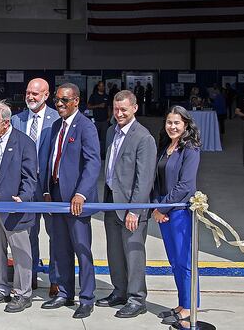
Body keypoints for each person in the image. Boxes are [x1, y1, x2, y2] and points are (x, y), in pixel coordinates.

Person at [40, 83, 100, 319]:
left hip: (77, 201)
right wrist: (46, 190)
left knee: (82, 250)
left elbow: (93, 163)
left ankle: (87, 298)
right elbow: (50, 160)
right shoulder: (56, 126)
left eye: (65, 100)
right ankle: (64, 292)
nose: (60, 104)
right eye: (57, 100)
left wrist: (81, 193)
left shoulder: (86, 127)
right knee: (60, 249)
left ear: (76, 101)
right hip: (56, 197)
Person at [97, 90, 156, 318]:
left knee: (133, 253)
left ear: (134, 108)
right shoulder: (112, 131)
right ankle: (119, 291)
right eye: (116, 109)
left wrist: (135, 210)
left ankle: (136, 298)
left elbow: (145, 179)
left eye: (123, 109)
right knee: (114, 252)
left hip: (132, 207)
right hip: (112, 201)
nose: (119, 113)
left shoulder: (144, 138)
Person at [0, 101, 37, 314]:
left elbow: (30, 177)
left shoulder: (24, 143)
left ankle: (23, 293)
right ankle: (1, 287)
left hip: (14, 204)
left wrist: (23, 197)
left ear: (6, 123)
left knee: (20, 251)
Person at [152, 106, 201, 330]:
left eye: (177, 123)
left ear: (186, 125)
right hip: (164, 211)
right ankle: (182, 304)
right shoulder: (166, 147)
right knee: (174, 261)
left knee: (185, 261)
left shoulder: (190, 149)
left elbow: (185, 185)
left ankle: (190, 308)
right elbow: (157, 179)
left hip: (179, 212)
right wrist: (156, 206)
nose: (172, 127)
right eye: (169, 122)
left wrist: (163, 208)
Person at [10, 78, 60, 297]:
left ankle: (56, 279)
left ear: (46, 95)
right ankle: (28, 277)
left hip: (50, 186)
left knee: (55, 234)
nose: (31, 97)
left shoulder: (57, 119)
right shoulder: (16, 119)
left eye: (36, 94)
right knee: (28, 234)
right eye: (28, 93)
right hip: (25, 186)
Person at [87, 81, 110, 159]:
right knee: (94, 138)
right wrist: (98, 105)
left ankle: (103, 154)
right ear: (98, 87)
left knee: (104, 138)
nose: (102, 87)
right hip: (96, 120)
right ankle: (95, 153)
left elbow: (109, 107)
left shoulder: (107, 96)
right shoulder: (93, 96)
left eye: (103, 86)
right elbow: (89, 106)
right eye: (100, 86)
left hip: (105, 120)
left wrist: (109, 117)